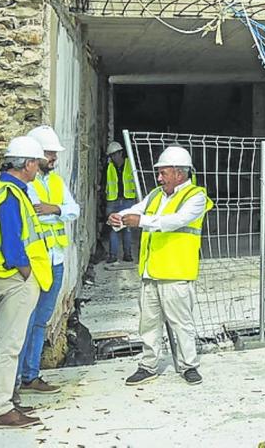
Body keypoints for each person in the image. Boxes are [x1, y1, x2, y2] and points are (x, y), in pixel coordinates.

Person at [108, 145, 212, 386]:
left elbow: (176, 221)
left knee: (181, 324)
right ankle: (148, 365)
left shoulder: (196, 196)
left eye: (163, 173)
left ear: (179, 173)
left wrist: (140, 221)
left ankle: (189, 365)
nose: (159, 177)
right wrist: (119, 219)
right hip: (151, 271)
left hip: (176, 272)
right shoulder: (156, 195)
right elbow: (136, 209)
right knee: (149, 324)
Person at [0, 136, 52, 429]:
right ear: (28, 164)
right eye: (37, 164)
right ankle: (1, 410)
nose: (38, 170)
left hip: (5, 276)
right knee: (9, 346)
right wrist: (25, 272)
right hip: (15, 279)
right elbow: (12, 244)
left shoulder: (0, 190)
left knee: (1, 343)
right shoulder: (10, 194)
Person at [17, 125, 80, 394]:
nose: (54, 159)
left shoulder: (56, 182)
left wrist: (54, 209)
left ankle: (31, 375)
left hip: (55, 260)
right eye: (50, 154)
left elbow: (73, 209)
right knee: (24, 323)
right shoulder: (23, 185)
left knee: (41, 320)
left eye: (54, 154)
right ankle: (14, 381)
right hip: (32, 264)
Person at [104, 141, 138, 262]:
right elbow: (105, 182)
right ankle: (113, 256)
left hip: (128, 199)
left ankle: (127, 254)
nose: (114, 157)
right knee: (113, 228)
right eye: (111, 155)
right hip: (113, 201)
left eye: (115, 154)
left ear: (121, 153)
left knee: (127, 228)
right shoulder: (109, 167)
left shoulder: (130, 165)